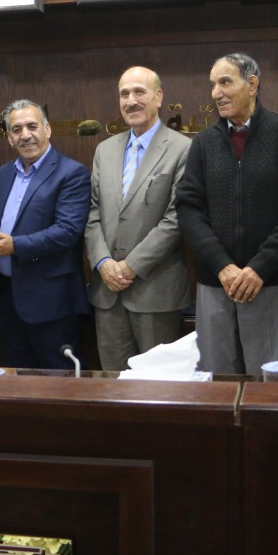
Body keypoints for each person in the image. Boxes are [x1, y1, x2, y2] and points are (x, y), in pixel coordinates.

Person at [176, 53, 278, 376]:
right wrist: (222, 266)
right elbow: (189, 209)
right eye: (213, 85)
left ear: (252, 84)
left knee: (268, 384)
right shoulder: (203, 143)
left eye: (225, 82)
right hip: (215, 283)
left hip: (270, 282)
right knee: (217, 382)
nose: (216, 93)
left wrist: (258, 268)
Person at [84, 66, 191, 371]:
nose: (131, 101)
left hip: (155, 291)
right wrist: (102, 262)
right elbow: (92, 213)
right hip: (107, 292)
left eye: (139, 92)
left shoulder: (183, 149)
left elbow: (176, 218)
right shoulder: (104, 150)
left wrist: (131, 266)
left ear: (159, 97)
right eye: (124, 94)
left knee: (157, 386)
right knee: (113, 385)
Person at [0, 100, 91, 369]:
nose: (25, 135)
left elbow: (67, 231)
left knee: (58, 381)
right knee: (17, 378)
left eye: (32, 126)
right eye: (16, 129)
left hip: (51, 301)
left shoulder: (71, 173)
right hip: (8, 297)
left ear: (47, 129)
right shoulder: (6, 172)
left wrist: (14, 246)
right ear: (9, 137)